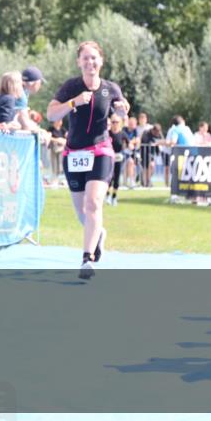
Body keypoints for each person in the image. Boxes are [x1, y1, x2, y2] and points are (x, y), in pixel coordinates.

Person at [45, 41, 130, 281]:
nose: (90, 62)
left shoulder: (110, 88)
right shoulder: (71, 86)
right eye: (85, 58)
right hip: (74, 153)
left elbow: (122, 111)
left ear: (101, 61)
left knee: (93, 204)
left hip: (101, 149)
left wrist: (123, 110)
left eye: (94, 58)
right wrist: (74, 103)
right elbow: (51, 114)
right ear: (78, 62)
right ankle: (99, 234)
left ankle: (87, 258)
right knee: (82, 212)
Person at [107, 116, 130, 206]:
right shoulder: (107, 133)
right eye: (113, 122)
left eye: (117, 122)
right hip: (108, 157)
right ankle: (107, 195)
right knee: (109, 177)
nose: (115, 124)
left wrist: (130, 146)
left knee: (116, 178)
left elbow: (129, 143)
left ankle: (114, 196)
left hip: (118, 157)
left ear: (120, 123)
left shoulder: (122, 134)